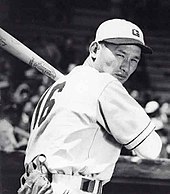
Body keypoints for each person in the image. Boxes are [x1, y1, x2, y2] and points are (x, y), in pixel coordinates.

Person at [18, 19, 162, 194]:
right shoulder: (104, 84)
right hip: (71, 188)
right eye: (120, 55)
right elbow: (151, 149)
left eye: (134, 60)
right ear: (94, 49)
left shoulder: (58, 87)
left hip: (38, 186)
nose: (125, 67)